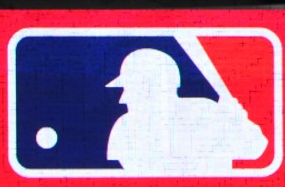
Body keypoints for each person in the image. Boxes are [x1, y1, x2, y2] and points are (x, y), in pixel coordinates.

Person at [106, 49, 267, 176]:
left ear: (154, 89)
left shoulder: (207, 112)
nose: (123, 98)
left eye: (131, 89)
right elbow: (140, 177)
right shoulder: (125, 127)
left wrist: (238, 122)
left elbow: (256, 149)